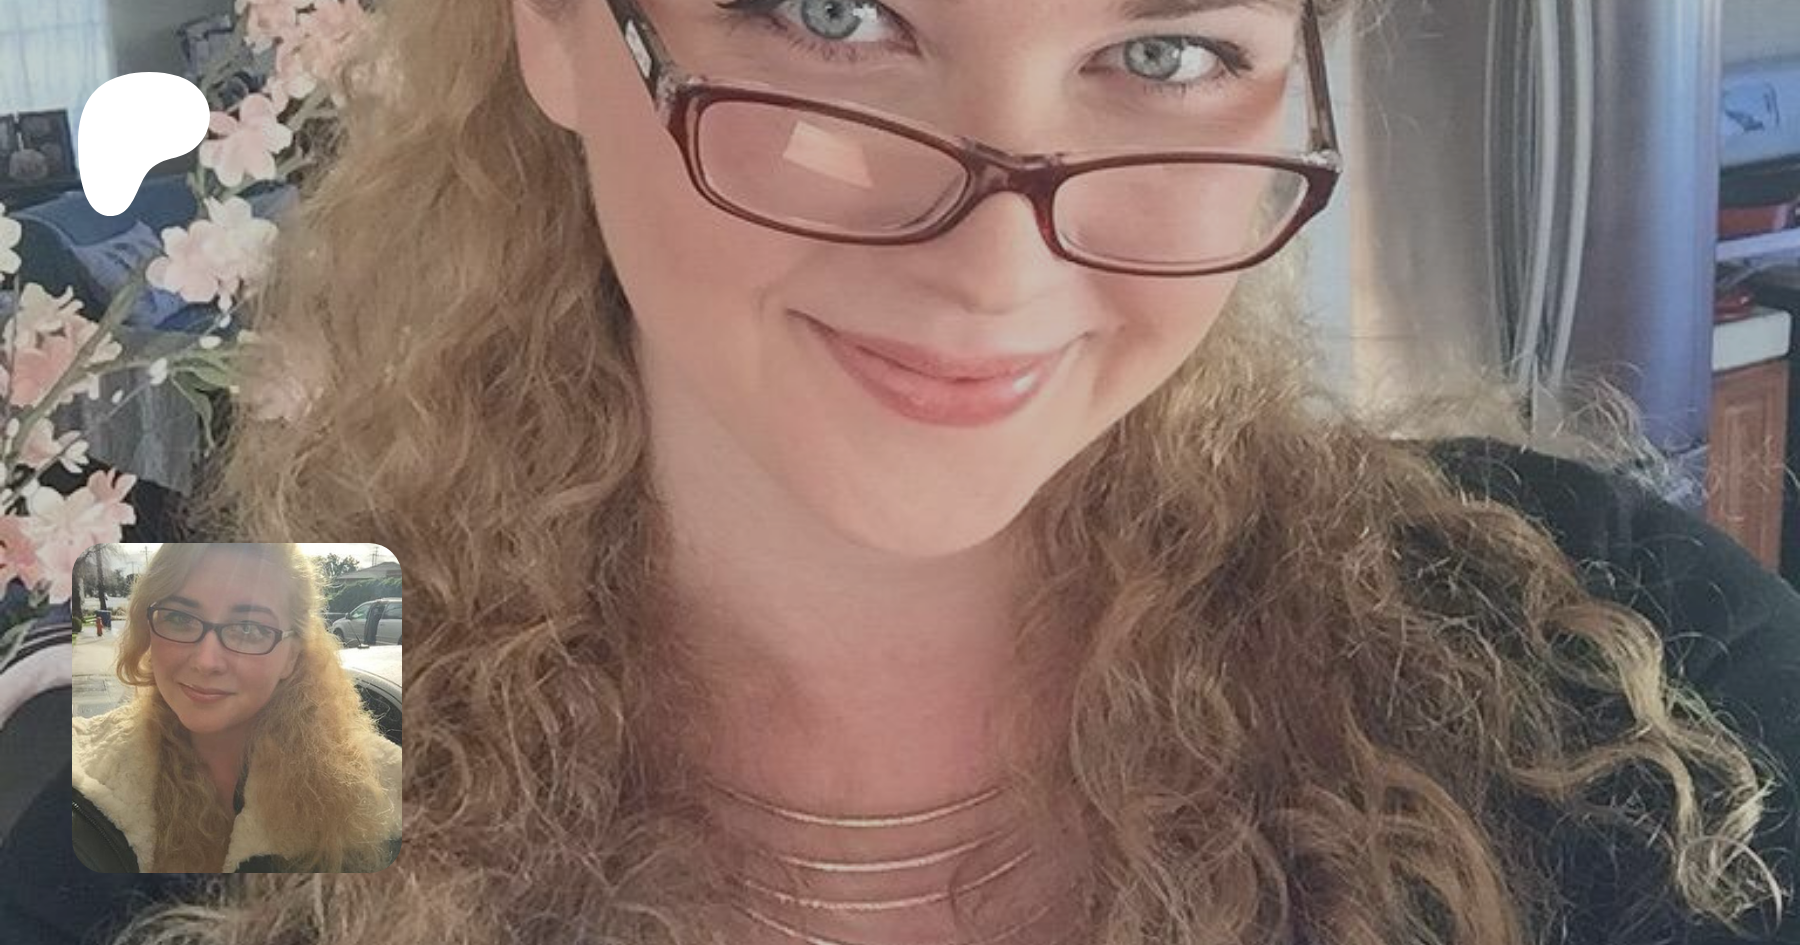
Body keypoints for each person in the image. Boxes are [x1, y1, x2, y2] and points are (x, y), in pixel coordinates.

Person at [19, 0, 1794, 942]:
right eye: (831, 12)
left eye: (1163, 54)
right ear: (555, 29)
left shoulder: (1602, 660)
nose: (993, 270)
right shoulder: (259, 679)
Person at [66, 543, 400, 873]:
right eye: (179, 618)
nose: (206, 661)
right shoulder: (80, 772)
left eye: (248, 628)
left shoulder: (389, 792)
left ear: (291, 656)